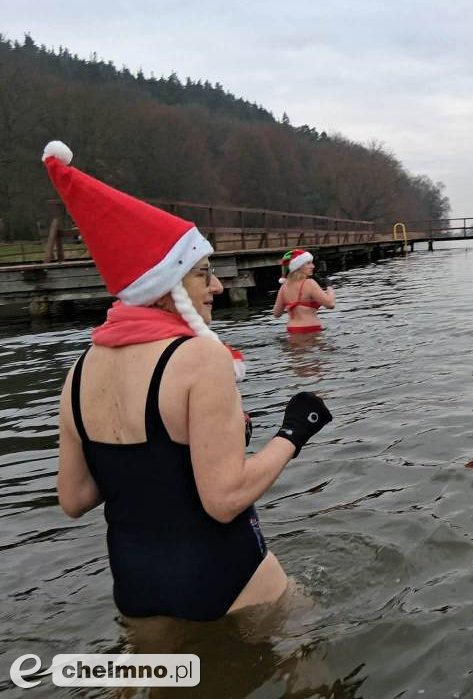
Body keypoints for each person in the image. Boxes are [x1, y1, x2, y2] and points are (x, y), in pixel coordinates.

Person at [43, 141, 332, 621]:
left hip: (134, 586)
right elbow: (225, 500)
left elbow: (74, 499)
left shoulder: (79, 371)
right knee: (315, 669)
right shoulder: (200, 358)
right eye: (203, 274)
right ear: (165, 288)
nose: (217, 286)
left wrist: (136, 470)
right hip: (225, 574)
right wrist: (293, 432)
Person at [273, 249, 335, 333]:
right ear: (298, 266)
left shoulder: (284, 287)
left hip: (292, 329)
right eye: (308, 263)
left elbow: (276, 314)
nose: (313, 266)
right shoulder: (309, 283)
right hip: (310, 329)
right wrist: (329, 286)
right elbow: (330, 304)